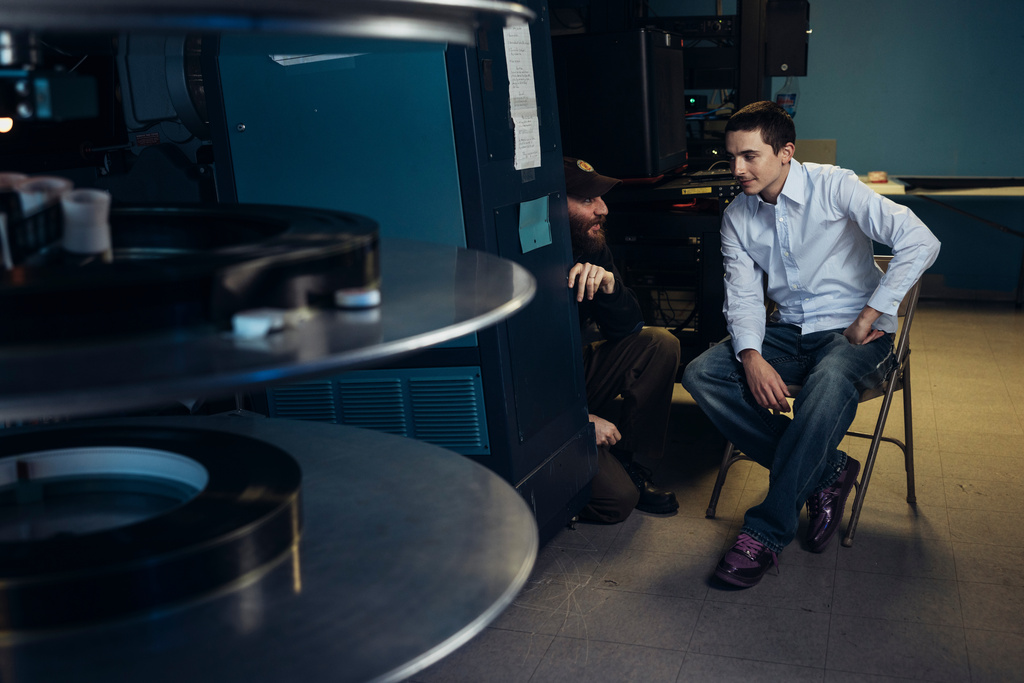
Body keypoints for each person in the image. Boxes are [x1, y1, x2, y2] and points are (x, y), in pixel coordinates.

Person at [681, 101, 940, 587]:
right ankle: (827, 470)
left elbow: (920, 240)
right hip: (788, 332)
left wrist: (869, 314)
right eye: (731, 157)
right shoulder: (737, 215)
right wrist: (751, 357)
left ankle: (765, 531)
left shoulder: (834, 186)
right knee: (702, 373)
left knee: (829, 380)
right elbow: (743, 296)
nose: (737, 169)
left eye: (750, 156)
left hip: (857, 334)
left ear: (786, 152)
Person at [563, 156, 682, 523]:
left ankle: (630, 461)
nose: (603, 209)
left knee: (659, 343)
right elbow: (515, 378)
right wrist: (580, 420)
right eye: (587, 200)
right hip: (539, 399)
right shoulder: (525, 259)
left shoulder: (589, 244)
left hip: (571, 370)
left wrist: (610, 288)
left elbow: (629, 328)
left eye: (600, 198)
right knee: (616, 502)